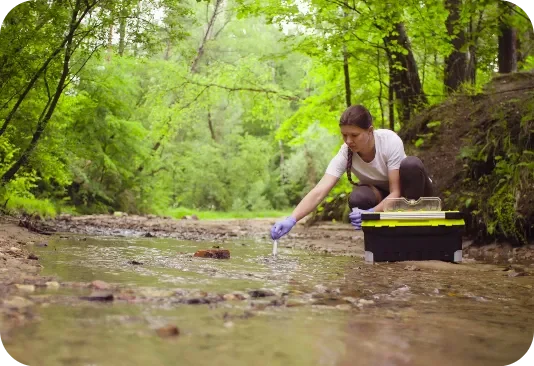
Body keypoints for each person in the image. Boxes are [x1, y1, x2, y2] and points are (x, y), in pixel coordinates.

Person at [270, 104, 434, 240]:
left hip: (413, 193)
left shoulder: (389, 141)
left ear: (370, 131)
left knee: (411, 165)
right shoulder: (345, 152)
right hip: (384, 197)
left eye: (354, 135)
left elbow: (396, 192)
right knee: (358, 197)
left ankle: (416, 234)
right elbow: (319, 191)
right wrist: (292, 219)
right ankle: (383, 240)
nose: (348, 141)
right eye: (344, 135)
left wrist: (371, 213)